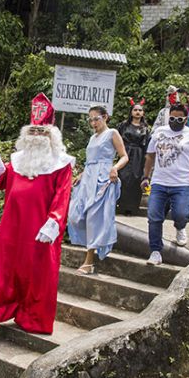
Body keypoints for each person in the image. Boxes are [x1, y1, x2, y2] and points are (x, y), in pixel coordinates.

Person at [0, 93, 75, 345]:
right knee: (0, 273)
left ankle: (31, 318)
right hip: (12, 229)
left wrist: (54, 222)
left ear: (51, 134)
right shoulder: (18, 160)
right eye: (33, 131)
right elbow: (2, 181)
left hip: (40, 231)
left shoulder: (61, 164)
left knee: (37, 277)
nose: (37, 136)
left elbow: (63, 197)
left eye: (42, 132)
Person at [67, 105, 129, 274]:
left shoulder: (112, 133)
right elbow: (90, 161)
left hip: (104, 178)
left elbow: (124, 156)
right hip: (88, 178)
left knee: (93, 218)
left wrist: (115, 168)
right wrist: (82, 174)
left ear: (105, 117)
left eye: (96, 119)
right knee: (74, 215)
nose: (93, 122)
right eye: (91, 120)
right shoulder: (93, 137)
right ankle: (90, 248)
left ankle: (89, 261)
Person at [141, 103, 189, 264]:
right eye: (172, 118)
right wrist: (145, 177)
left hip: (183, 183)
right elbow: (150, 155)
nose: (175, 121)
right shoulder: (159, 132)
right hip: (159, 182)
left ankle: (180, 227)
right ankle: (155, 251)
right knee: (154, 216)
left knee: (181, 214)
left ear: (186, 119)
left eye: (179, 118)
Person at [117, 98, 150, 215]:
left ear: (143, 113)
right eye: (135, 110)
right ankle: (120, 206)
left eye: (140, 110)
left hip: (138, 156)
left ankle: (132, 208)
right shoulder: (123, 126)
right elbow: (117, 140)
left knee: (136, 180)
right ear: (131, 111)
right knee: (123, 178)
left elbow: (147, 145)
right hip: (125, 152)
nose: (137, 112)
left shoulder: (145, 129)